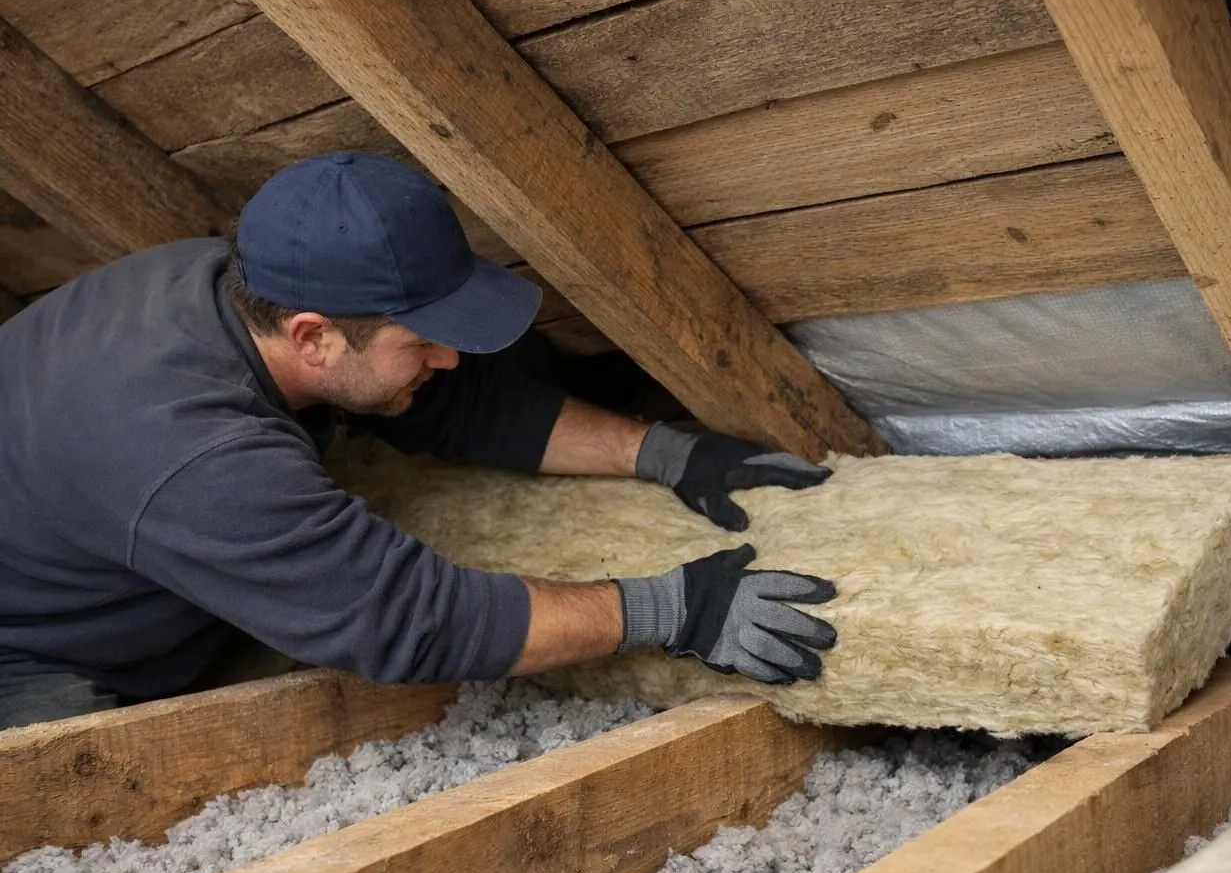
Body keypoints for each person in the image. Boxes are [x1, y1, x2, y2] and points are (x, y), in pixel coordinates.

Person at [0, 151, 840, 730]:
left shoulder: (228, 281)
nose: (448, 356)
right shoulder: (191, 455)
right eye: (423, 340)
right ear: (311, 337)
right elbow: (410, 622)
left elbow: (442, 399)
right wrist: (671, 608)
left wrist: (668, 453)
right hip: (28, 663)